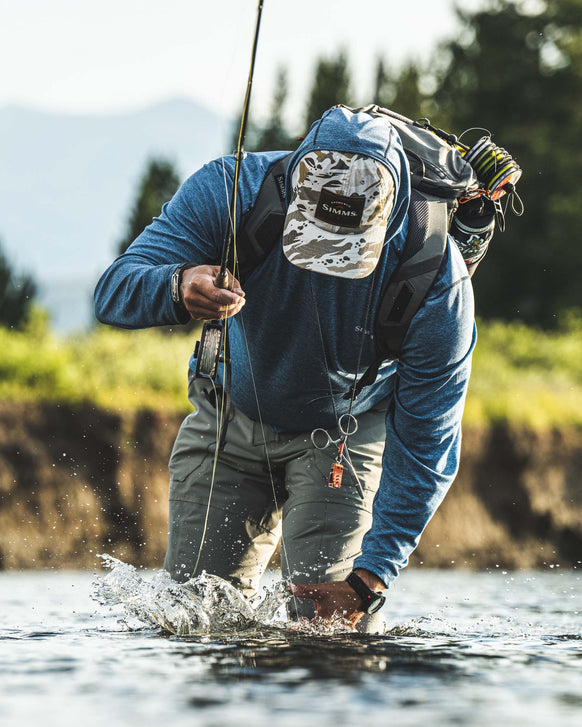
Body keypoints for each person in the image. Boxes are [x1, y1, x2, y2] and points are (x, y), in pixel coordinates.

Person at [94, 105, 475, 632]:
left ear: (387, 217)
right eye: (313, 240)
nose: (326, 265)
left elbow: (428, 445)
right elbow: (113, 292)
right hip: (229, 416)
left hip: (344, 435)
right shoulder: (230, 192)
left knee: (331, 633)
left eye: (345, 251)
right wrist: (177, 287)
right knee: (194, 623)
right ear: (294, 185)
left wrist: (371, 578)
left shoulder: (435, 277)